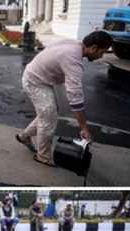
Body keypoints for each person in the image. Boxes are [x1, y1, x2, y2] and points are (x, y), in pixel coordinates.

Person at [16, 31, 113, 167]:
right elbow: (75, 96)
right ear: (94, 48)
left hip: (40, 78)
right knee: (48, 118)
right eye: (102, 52)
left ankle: (25, 136)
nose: (101, 56)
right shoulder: (73, 59)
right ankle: (42, 156)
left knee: (50, 113)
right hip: (34, 81)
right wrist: (84, 128)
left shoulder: (74, 45)